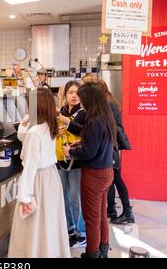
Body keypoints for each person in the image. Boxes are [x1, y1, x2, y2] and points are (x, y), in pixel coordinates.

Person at [8, 88, 70, 258]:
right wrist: (26, 123)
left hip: (37, 180)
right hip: (51, 177)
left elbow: (30, 167)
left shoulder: (35, 132)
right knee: (49, 221)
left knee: (33, 223)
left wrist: (24, 196)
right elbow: (23, 136)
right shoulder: (49, 126)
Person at [63, 83, 117, 258]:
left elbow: (88, 152)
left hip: (94, 176)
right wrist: (81, 143)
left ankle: (92, 253)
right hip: (106, 172)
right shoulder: (105, 117)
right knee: (101, 216)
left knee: (91, 219)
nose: (80, 102)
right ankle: (103, 249)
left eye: (82, 98)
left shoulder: (94, 121)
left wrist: (70, 151)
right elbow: (95, 142)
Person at [97, 80, 134, 224]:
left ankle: (127, 211)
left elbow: (111, 127)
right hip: (114, 145)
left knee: (116, 178)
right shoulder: (108, 102)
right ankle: (112, 209)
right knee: (112, 179)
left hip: (114, 146)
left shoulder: (108, 104)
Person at [56, 81, 87, 249]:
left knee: (76, 198)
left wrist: (65, 123)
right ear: (65, 94)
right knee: (64, 196)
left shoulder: (84, 112)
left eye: (77, 92)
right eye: (71, 92)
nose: (74, 96)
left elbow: (82, 131)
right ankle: (70, 228)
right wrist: (56, 130)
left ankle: (81, 233)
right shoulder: (61, 111)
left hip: (76, 161)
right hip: (60, 158)